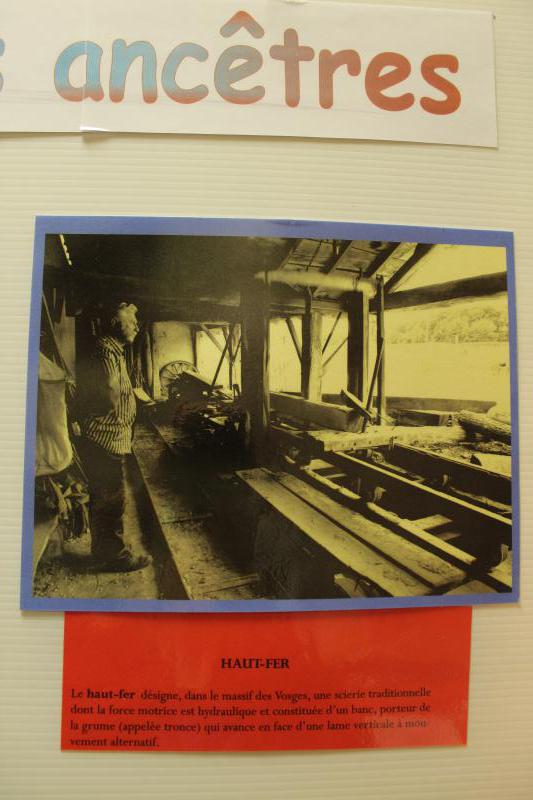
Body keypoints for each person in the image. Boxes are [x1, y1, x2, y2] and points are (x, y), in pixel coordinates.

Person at [75, 302, 152, 572]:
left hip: (110, 437)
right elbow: (110, 388)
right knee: (111, 500)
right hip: (105, 436)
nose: (136, 326)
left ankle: (103, 553)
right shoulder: (107, 349)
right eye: (132, 322)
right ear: (115, 324)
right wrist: (109, 413)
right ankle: (115, 558)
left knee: (106, 498)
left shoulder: (113, 349)